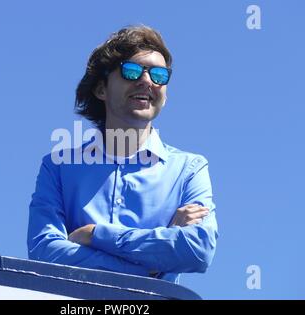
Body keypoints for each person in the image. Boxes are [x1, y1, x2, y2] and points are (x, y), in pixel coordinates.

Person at [27, 25, 218, 283]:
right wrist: (153, 265)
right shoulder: (58, 167)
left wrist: (96, 235)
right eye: (132, 71)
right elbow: (44, 253)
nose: (147, 81)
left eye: (159, 75)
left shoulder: (189, 169)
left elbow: (197, 251)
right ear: (101, 89)